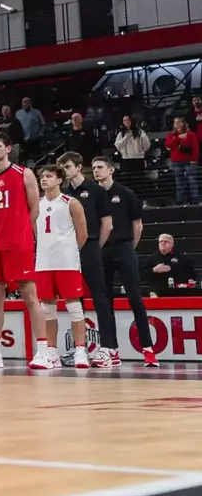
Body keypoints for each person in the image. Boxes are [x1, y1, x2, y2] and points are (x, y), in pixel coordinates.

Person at [0, 132, 46, 364]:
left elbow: (34, 209)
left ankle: (43, 350)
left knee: (30, 295)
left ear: (8, 149)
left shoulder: (24, 173)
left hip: (18, 243)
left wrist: (25, 234)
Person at [92, 156, 156, 366]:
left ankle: (148, 350)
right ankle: (111, 350)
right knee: (104, 302)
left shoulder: (125, 193)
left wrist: (129, 247)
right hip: (102, 250)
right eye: (93, 168)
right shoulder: (93, 195)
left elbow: (138, 226)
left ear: (111, 170)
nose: (96, 171)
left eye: (100, 167)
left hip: (123, 246)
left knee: (135, 298)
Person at [59, 152, 116, 367]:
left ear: (78, 167)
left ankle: (108, 348)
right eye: (62, 168)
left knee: (100, 296)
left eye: (67, 167)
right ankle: (79, 348)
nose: (64, 171)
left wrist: (95, 247)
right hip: (69, 249)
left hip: (90, 245)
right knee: (74, 300)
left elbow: (107, 224)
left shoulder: (96, 191)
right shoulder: (63, 193)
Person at [35, 165, 92, 369]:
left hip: (66, 263)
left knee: (74, 307)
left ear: (59, 180)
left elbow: (83, 234)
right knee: (47, 310)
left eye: (49, 176)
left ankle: (80, 351)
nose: (43, 179)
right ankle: (51, 352)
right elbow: (36, 233)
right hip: (43, 263)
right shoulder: (36, 204)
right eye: (42, 176)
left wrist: (69, 252)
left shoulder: (71, 203)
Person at [165, 116, 199, 205]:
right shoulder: (171, 135)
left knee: (192, 181)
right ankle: (179, 201)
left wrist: (193, 159)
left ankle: (195, 201)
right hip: (176, 162)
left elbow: (195, 148)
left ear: (183, 123)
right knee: (179, 182)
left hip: (189, 161)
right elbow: (169, 145)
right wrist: (178, 138)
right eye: (175, 123)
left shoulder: (191, 134)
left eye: (179, 122)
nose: (177, 124)